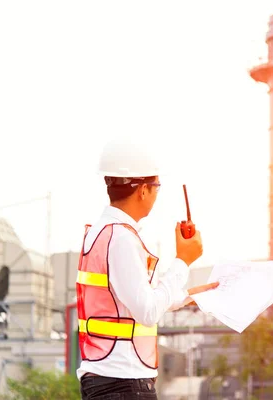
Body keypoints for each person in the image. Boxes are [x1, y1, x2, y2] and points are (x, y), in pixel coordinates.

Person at [76, 137, 218, 399]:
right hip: (124, 384)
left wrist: (188, 296)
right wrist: (183, 261)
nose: (156, 193)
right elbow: (147, 311)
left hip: (110, 380)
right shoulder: (122, 239)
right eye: (157, 186)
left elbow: (138, 300)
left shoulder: (100, 233)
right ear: (142, 190)